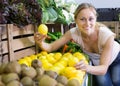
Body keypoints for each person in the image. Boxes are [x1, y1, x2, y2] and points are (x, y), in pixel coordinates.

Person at [34, 3, 120, 86]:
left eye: (91, 19)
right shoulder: (73, 33)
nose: (87, 23)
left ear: (95, 19)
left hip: (116, 58)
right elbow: (51, 47)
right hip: (98, 62)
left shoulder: (106, 35)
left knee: (116, 80)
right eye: (82, 19)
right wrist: (40, 43)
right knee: (103, 83)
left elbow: (103, 69)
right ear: (75, 20)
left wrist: (87, 67)